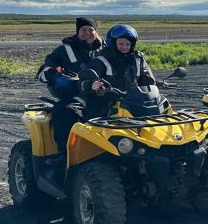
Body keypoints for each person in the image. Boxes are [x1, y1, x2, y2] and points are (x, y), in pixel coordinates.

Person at [37, 17, 103, 165]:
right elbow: (45, 69)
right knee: (64, 112)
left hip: (103, 94)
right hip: (76, 95)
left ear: (95, 31)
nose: (87, 33)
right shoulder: (64, 50)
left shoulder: (105, 48)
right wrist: (51, 75)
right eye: (83, 30)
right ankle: (64, 153)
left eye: (90, 29)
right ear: (77, 32)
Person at [81, 24, 156, 119]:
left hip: (132, 102)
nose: (124, 47)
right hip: (106, 103)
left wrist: (154, 87)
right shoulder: (101, 60)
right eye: (121, 44)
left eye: (127, 44)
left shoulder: (137, 60)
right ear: (113, 43)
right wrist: (92, 84)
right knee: (95, 120)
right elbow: (83, 82)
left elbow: (148, 81)